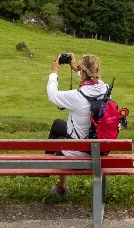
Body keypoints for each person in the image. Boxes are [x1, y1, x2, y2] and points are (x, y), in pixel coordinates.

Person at [45, 52, 109, 198]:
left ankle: (58, 182)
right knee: (57, 125)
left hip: (80, 151)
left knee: (61, 140)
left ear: (84, 71)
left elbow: (52, 95)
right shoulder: (105, 89)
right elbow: (93, 80)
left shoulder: (77, 97)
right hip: (99, 146)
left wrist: (54, 72)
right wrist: (76, 68)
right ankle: (56, 179)